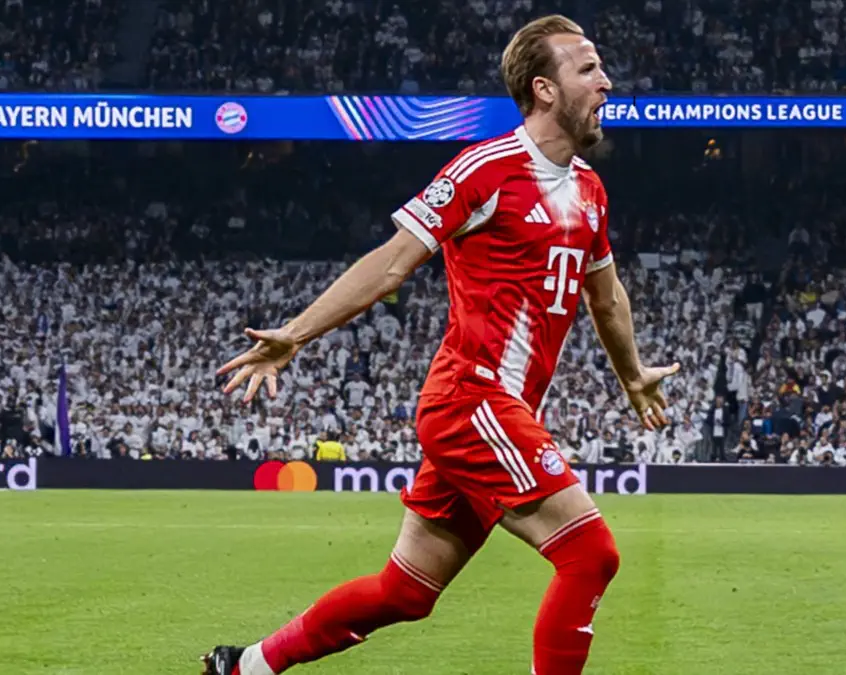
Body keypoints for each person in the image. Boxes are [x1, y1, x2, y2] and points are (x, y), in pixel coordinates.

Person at [201, 15, 680, 675]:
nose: (607, 83)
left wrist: (631, 374)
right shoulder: (486, 169)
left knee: (406, 591)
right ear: (544, 89)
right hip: (472, 399)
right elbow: (392, 263)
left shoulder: (589, 190)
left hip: (493, 411)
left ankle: (245, 665)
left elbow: (607, 296)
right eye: (589, 69)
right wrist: (296, 333)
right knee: (590, 554)